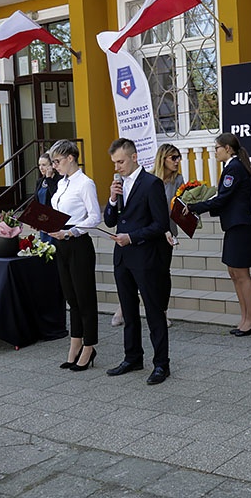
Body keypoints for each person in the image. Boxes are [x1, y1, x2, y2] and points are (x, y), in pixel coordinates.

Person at [103, 138, 172, 385]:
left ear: (134, 157)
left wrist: (131, 237)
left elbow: (160, 224)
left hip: (145, 257)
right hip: (122, 258)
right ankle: (132, 357)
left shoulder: (151, 184)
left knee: (154, 312)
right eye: (114, 162)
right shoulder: (118, 184)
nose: (117, 167)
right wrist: (111, 199)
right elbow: (110, 221)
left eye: (120, 161)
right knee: (128, 311)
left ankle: (161, 364)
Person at [186, 133, 251, 335]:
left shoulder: (234, 168)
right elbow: (223, 199)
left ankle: (250, 319)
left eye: (217, 147)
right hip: (233, 226)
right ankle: (244, 317)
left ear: (228, 148)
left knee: (242, 274)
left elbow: (222, 199)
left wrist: (195, 207)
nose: (215, 151)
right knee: (234, 273)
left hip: (240, 227)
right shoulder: (230, 167)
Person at [44, 140, 102, 372]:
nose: (54, 166)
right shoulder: (62, 184)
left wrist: (71, 231)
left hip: (78, 243)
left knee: (85, 297)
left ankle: (89, 345)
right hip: (62, 243)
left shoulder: (85, 183)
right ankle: (75, 342)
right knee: (71, 297)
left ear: (70, 158)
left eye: (57, 161)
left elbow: (94, 217)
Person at [111, 143, 183, 328]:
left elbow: (168, 213)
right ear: (163, 158)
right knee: (131, 286)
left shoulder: (177, 180)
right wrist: (112, 199)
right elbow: (116, 218)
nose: (177, 161)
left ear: (133, 158)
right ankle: (123, 308)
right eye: (173, 157)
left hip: (163, 235)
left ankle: (161, 312)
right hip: (139, 240)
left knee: (161, 276)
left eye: (178, 157)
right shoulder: (144, 180)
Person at [34, 151, 62, 244]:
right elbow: (36, 200)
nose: (41, 168)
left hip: (54, 220)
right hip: (43, 220)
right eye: (39, 165)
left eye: (44, 165)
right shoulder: (40, 181)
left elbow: (55, 195)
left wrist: (49, 178)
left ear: (51, 166)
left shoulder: (59, 180)